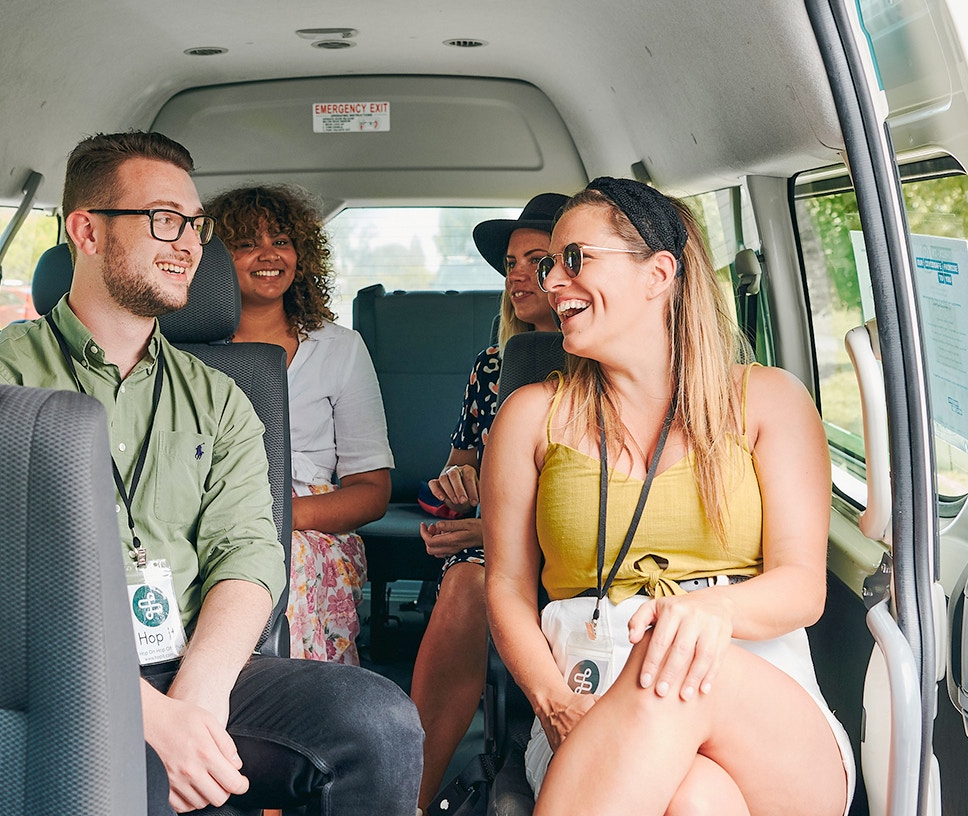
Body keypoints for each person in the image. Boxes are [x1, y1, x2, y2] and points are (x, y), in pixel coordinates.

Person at [0, 132, 421, 815]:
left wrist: (196, 697)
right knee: (133, 776)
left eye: (195, 226)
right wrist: (149, 718)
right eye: (165, 220)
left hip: (188, 659)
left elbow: (249, 552)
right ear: (86, 230)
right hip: (50, 674)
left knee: (374, 721)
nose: (191, 245)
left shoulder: (220, 395)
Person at [483, 177, 853, 814]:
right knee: (699, 801)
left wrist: (701, 616)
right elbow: (507, 587)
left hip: (767, 715)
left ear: (658, 273)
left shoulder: (769, 400)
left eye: (575, 259)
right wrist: (551, 700)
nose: (551, 283)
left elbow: (803, 586)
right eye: (548, 265)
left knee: (675, 662)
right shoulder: (529, 416)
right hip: (587, 704)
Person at [409, 192, 564, 805]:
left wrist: (489, 531)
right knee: (466, 583)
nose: (518, 275)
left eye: (538, 259)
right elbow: (461, 466)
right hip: (496, 545)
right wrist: (456, 498)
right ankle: (411, 795)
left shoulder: (618, 365)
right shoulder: (493, 366)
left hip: (581, 546)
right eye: (511, 263)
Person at [206, 183, 392, 666]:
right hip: (207, 515)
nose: (268, 255)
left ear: (300, 254)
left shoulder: (340, 348)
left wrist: (282, 518)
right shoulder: (187, 352)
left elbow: (371, 490)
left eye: (281, 241)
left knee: (293, 561)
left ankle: (300, 713)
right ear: (214, 260)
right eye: (246, 243)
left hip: (309, 526)